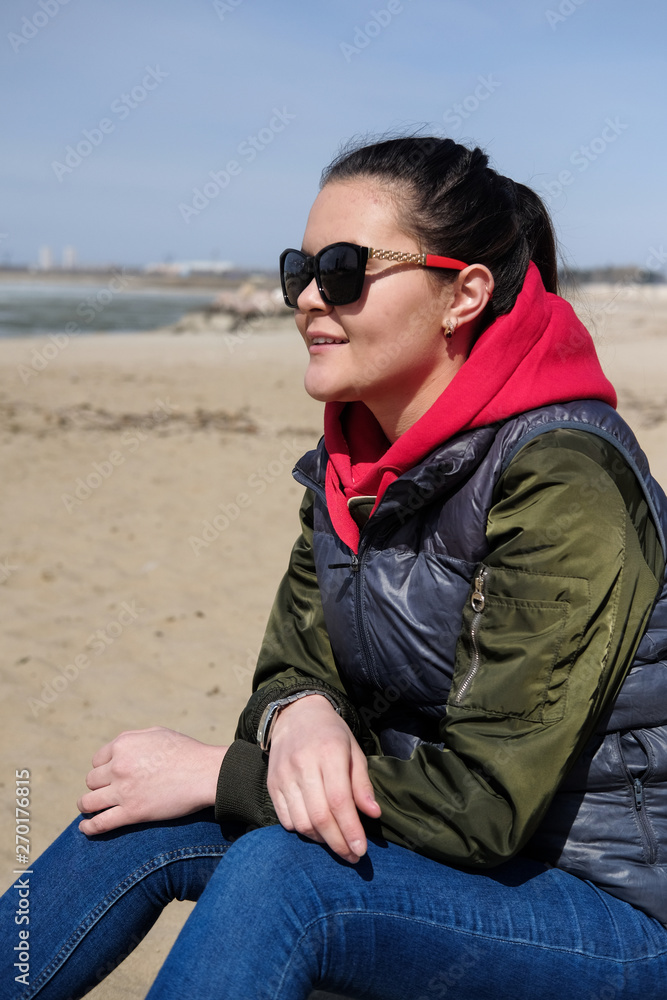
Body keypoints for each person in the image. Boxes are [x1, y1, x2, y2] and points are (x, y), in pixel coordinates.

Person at [3, 135, 667, 1000]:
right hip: (431, 852)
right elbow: (290, 667)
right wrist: (299, 715)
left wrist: (216, 770)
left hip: (607, 909)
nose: (309, 297)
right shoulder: (351, 465)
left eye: (346, 269)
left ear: (461, 294)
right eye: (299, 270)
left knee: (281, 876)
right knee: (132, 818)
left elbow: (485, 805)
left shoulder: (563, 482)